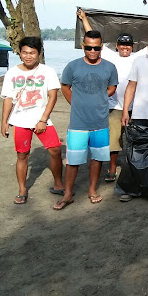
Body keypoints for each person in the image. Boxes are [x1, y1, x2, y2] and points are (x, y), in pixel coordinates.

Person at [77, 8, 148, 182]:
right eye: (122, 44)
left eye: (128, 45)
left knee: (137, 142)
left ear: (133, 47)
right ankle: (113, 168)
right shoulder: (110, 57)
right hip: (115, 106)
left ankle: (145, 172)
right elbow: (92, 36)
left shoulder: (138, 57)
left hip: (137, 108)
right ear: (117, 46)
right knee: (114, 138)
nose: (125, 48)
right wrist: (84, 18)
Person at [54, 30, 118, 210]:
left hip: (100, 123)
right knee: (73, 160)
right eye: (88, 47)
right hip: (78, 123)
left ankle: (92, 190)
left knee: (97, 159)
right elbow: (65, 86)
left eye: (96, 48)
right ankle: (68, 193)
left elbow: (112, 87)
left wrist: (99, 99)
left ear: (102, 47)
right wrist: (75, 102)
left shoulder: (109, 67)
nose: (92, 51)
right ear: (82, 46)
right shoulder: (73, 67)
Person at [0, 36, 64, 205]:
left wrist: (43, 120)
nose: (28, 56)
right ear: (20, 53)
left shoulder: (47, 71)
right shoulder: (12, 73)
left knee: (55, 150)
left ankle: (58, 183)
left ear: (39, 54)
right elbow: (7, 98)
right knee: (22, 155)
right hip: (20, 120)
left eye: (32, 53)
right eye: (25, 53)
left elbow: (52, 96)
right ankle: (22, 189)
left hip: (42, 119)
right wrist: (4, 121)